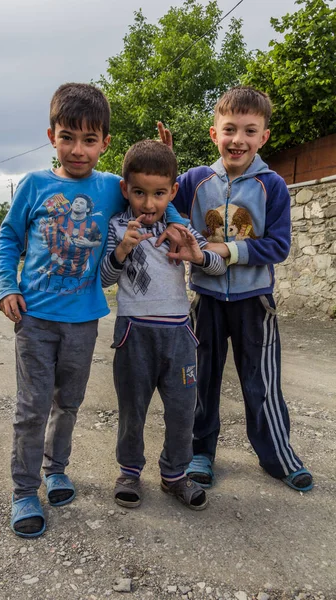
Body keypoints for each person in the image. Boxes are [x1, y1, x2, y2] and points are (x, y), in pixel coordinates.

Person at [0, 83, 187, 538]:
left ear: (105, 143)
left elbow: (153, 199)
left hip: (83, 321)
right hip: (35, 318)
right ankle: (24, 491)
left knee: (69, 403)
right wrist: (6, 287)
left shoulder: (111, 188)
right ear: (51, 136)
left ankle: (56, 468)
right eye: (67, 137)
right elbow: (8, 239)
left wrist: (177, 221)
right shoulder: (34, 186)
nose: (77, 150)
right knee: (31, 407)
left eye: (89, 139)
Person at [163, 86, 313, 492]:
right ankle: (199, 452)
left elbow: (277, 246)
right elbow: (163, 201)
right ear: (214, 134)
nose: (238, 140)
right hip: (205, 299)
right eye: (229, 129)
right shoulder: (193, 180)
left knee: (260, 381)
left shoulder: (273, 186)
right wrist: (166, 162)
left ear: (263, 137)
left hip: (254, 302)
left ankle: (277, 454)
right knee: (199, 378)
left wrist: (224, 249)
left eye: (250, 131)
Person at [100, 140, 227, 511]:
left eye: (159, 194)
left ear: (172, 191)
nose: (149, 203)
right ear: (126, 190)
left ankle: (174, 474)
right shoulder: (117, 226)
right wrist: (121, 250)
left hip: (179, 336)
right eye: (139, 193)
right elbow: (106, 278)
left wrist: (197, 254)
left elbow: (218, 267)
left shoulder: (182, 227)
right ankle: (129, 472)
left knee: (182, 409)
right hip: (132, 333)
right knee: (132, 409)